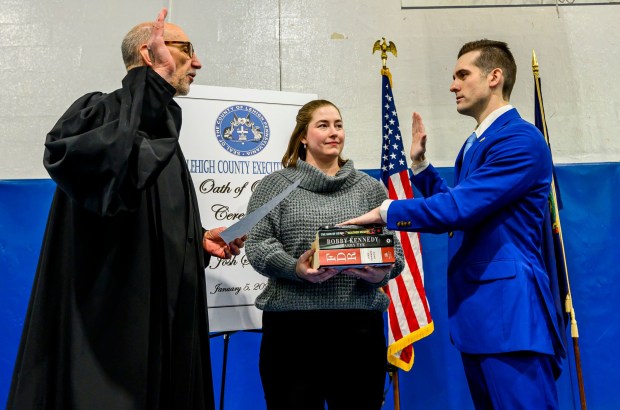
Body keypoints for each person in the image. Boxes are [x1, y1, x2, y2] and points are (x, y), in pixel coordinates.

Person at [7, 9, 245, 410]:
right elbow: (103, 179)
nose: (198, 62)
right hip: (112, 335)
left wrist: (196, 241)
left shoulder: (162, 127)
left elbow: (147, 220)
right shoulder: (101, 113)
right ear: (149, 54)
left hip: (166, 328)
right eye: (186, 49)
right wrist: (147, 85)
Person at [342, 40, 566, 409]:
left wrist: (387, 212)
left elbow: (460, 208)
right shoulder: (477, 143)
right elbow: (469, 209)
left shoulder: (520, 139)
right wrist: (420, 168)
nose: (453, 86)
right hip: (483, 317)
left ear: (495, 77)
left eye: (463, 75)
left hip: (510, 317)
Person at [244, 99, 405, 410]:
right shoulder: (274, 186)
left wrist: (379, 273)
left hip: (359, 330)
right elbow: (258, 245)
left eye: (338, 125)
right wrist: (296, 268)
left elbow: (394, 254)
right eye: (323, 125)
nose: (334, 133)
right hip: (292, 333)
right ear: (303, 136)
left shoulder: (370, 190)